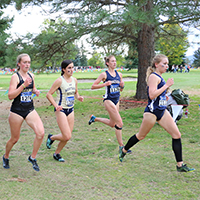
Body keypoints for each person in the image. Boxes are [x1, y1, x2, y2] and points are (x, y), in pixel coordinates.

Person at [119, 54, 195, 172]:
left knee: (177, 135)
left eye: (167, 64)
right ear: (156, 64)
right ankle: (124, 150)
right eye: (163, 64)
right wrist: (166, 86)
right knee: (141, 136)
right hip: (152, 112)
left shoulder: (160, 76)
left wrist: (164, 96)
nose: (166, 66)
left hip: (162, 111)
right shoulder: (154, 77)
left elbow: (157, 95)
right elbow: (151, 95)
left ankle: (180, 165)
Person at [3, 53, 44, 172]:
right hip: (17, 111)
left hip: (29, 109)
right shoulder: (15, 77)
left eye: (29, 62)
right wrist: (23, 85)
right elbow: (10, 96)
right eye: (25, 62)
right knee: (15, 139)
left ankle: (32, 157)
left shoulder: (31, 75)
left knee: (40, 133)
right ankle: (6, 156)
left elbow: (32, 89)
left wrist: (35, 91)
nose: (27, 64)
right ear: (19, 64)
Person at [88, 55, 131, 153]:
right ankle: (121, 147)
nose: (114, 63)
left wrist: (122, 86)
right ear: (107, 63)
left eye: (115, 61)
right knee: (119, 122)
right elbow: (93, 86)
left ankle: (94, 118)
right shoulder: (104, 74)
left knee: (113, 124)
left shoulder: (119, 74)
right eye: (112, 61)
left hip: (117, 100)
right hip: (108, 100)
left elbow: (120, 89)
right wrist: (105, 84)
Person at [46, 60, 84, 162]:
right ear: (63, 69)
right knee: (66, 135)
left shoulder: (74, 80)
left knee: (67, 137)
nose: (72, 70)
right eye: (69, 68)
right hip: (61, 110)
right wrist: (56, 105)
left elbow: (75, 92)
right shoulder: (59, 81)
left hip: (71, 110)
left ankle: (56, 153)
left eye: (72, 67)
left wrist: (79, 97)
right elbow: (49, 94)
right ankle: (52, 138)